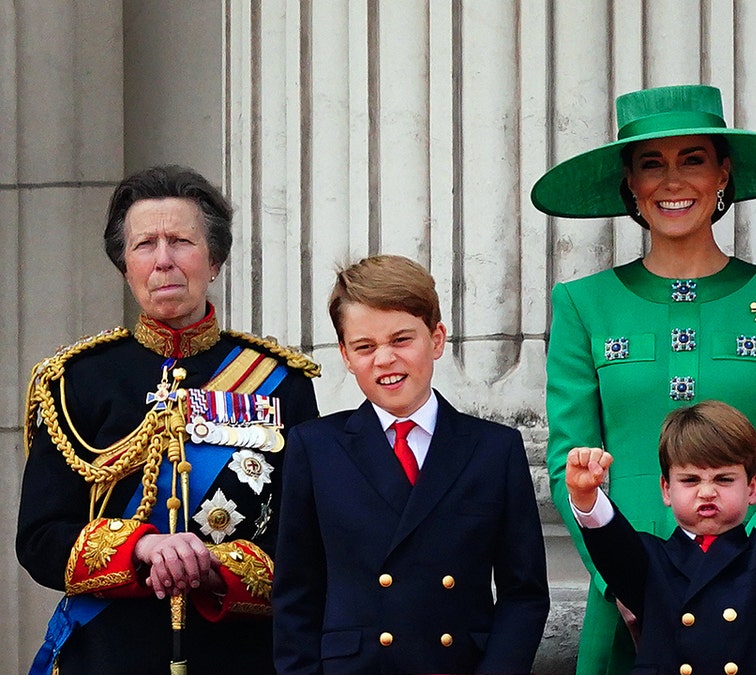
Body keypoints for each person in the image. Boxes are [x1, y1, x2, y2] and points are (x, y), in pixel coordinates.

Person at [533, 83, 756, 675]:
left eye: (693, 159)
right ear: (630, 183)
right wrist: (619, 579)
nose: (672, 182)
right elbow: (570, 461)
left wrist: (750, 571)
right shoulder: (582, 304)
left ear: (723, 173)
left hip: (745, 606)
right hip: (624, 600)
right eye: (651, 164)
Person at [16, 165, 321, 674]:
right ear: (124, 265)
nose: (163, 261)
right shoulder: (74, 382)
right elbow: (40, 539)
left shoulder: (281, 381)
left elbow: (306, 541)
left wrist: (214, 568)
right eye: (145, 245)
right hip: (109, 652)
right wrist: (143, 548)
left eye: (181, 241)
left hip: (238, 655)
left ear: (215, 259)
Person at [272, 254, 550, 674]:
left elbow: (524, 594)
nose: (384, 359)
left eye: (401, 339)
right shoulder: (315, 447)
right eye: (365, 346)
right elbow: (297, 594)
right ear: (346, 356)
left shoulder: (495, 449)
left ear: (436, 339)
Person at [566, 400, 756, 675]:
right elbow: (611, 542)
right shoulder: (651, 560)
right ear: (666, 489)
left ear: (753, 488)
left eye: (723, 479)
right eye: (690, 480)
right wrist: (585, 496)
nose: (707, 492)